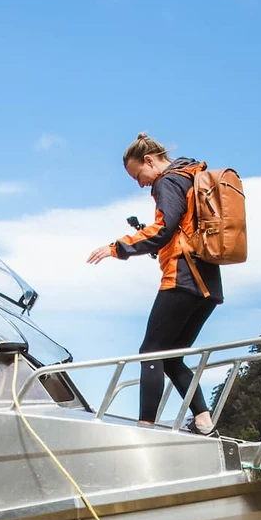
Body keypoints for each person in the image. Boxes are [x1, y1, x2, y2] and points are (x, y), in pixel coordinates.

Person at [87, 133, 221, 433]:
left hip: (183, 280)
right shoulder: (191, 177)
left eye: (138, 175)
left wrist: (116, 247)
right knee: (171, 358)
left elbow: (164, 228)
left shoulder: (168, 181)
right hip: (208, 285)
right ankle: (204, 421)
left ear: (149, 161)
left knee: (150, 352)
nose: (140, 183)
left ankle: (144, 427)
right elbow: (178, 232)